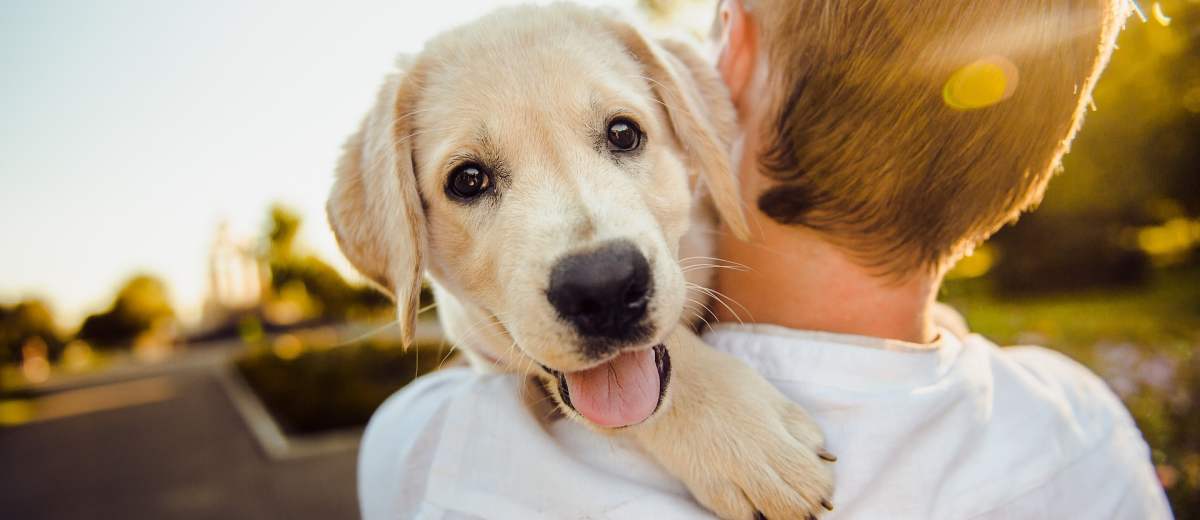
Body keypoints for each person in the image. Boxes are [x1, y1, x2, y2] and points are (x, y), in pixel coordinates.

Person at [358, 0, 1173, 518]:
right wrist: (682, 395)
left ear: (729, 62)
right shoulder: (1085, 428)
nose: (594, 259)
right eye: (472, 180)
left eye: (621, 135)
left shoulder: (427, 450)